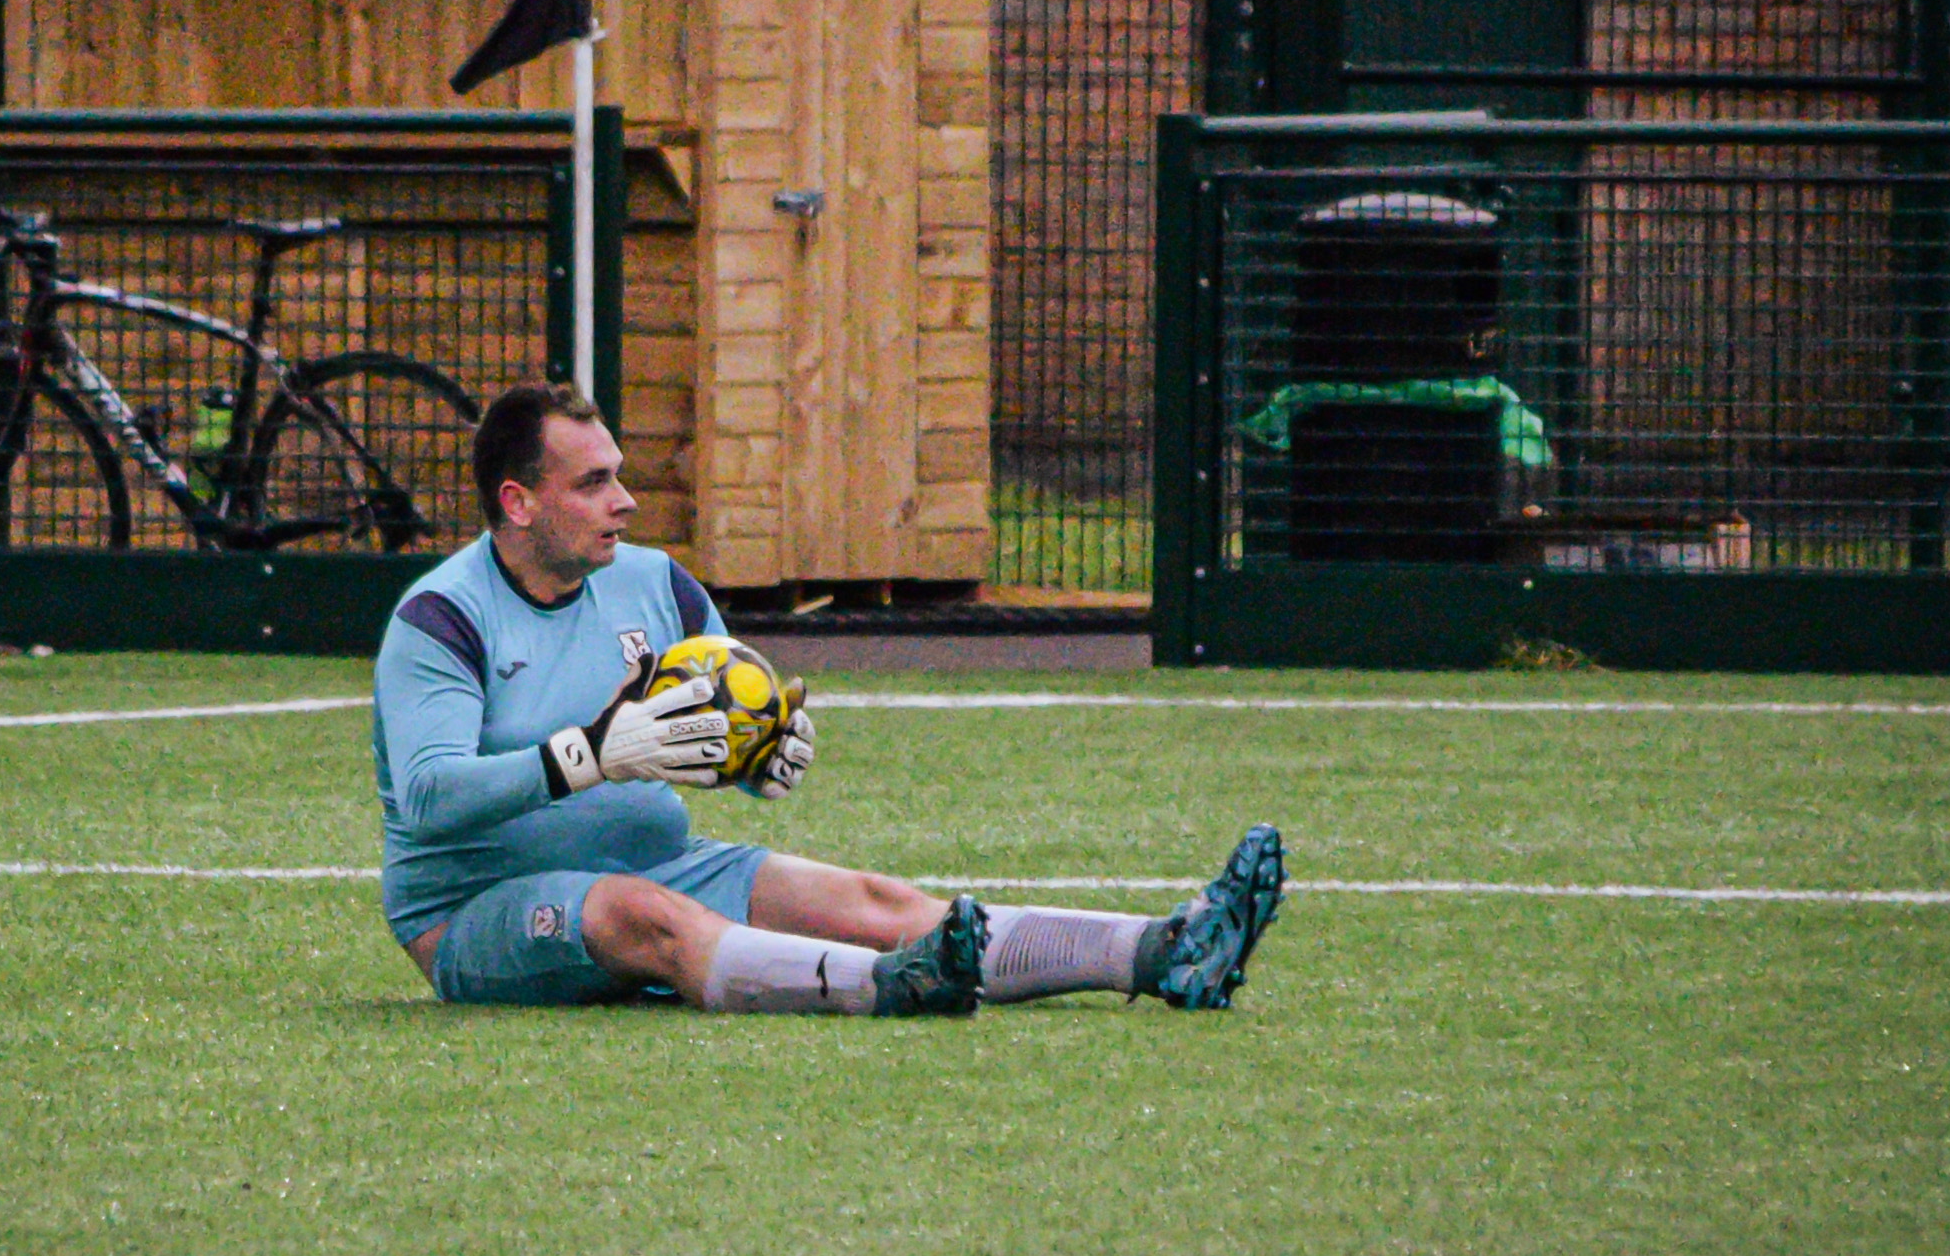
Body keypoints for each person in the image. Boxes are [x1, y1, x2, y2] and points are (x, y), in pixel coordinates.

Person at [372, 382, 1285, 1017]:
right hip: (475, 914)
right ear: (519, 503)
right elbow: (430, 796)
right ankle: (886, 988)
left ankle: (1167, 950)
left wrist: (760, 756)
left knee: (879, 900)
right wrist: (592, 754)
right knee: (640, 919)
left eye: (618, 473)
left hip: (664, 862)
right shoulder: (441, 618)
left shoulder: (658, 585)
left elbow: (715, 724)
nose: (627, 502)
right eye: (594, 483)